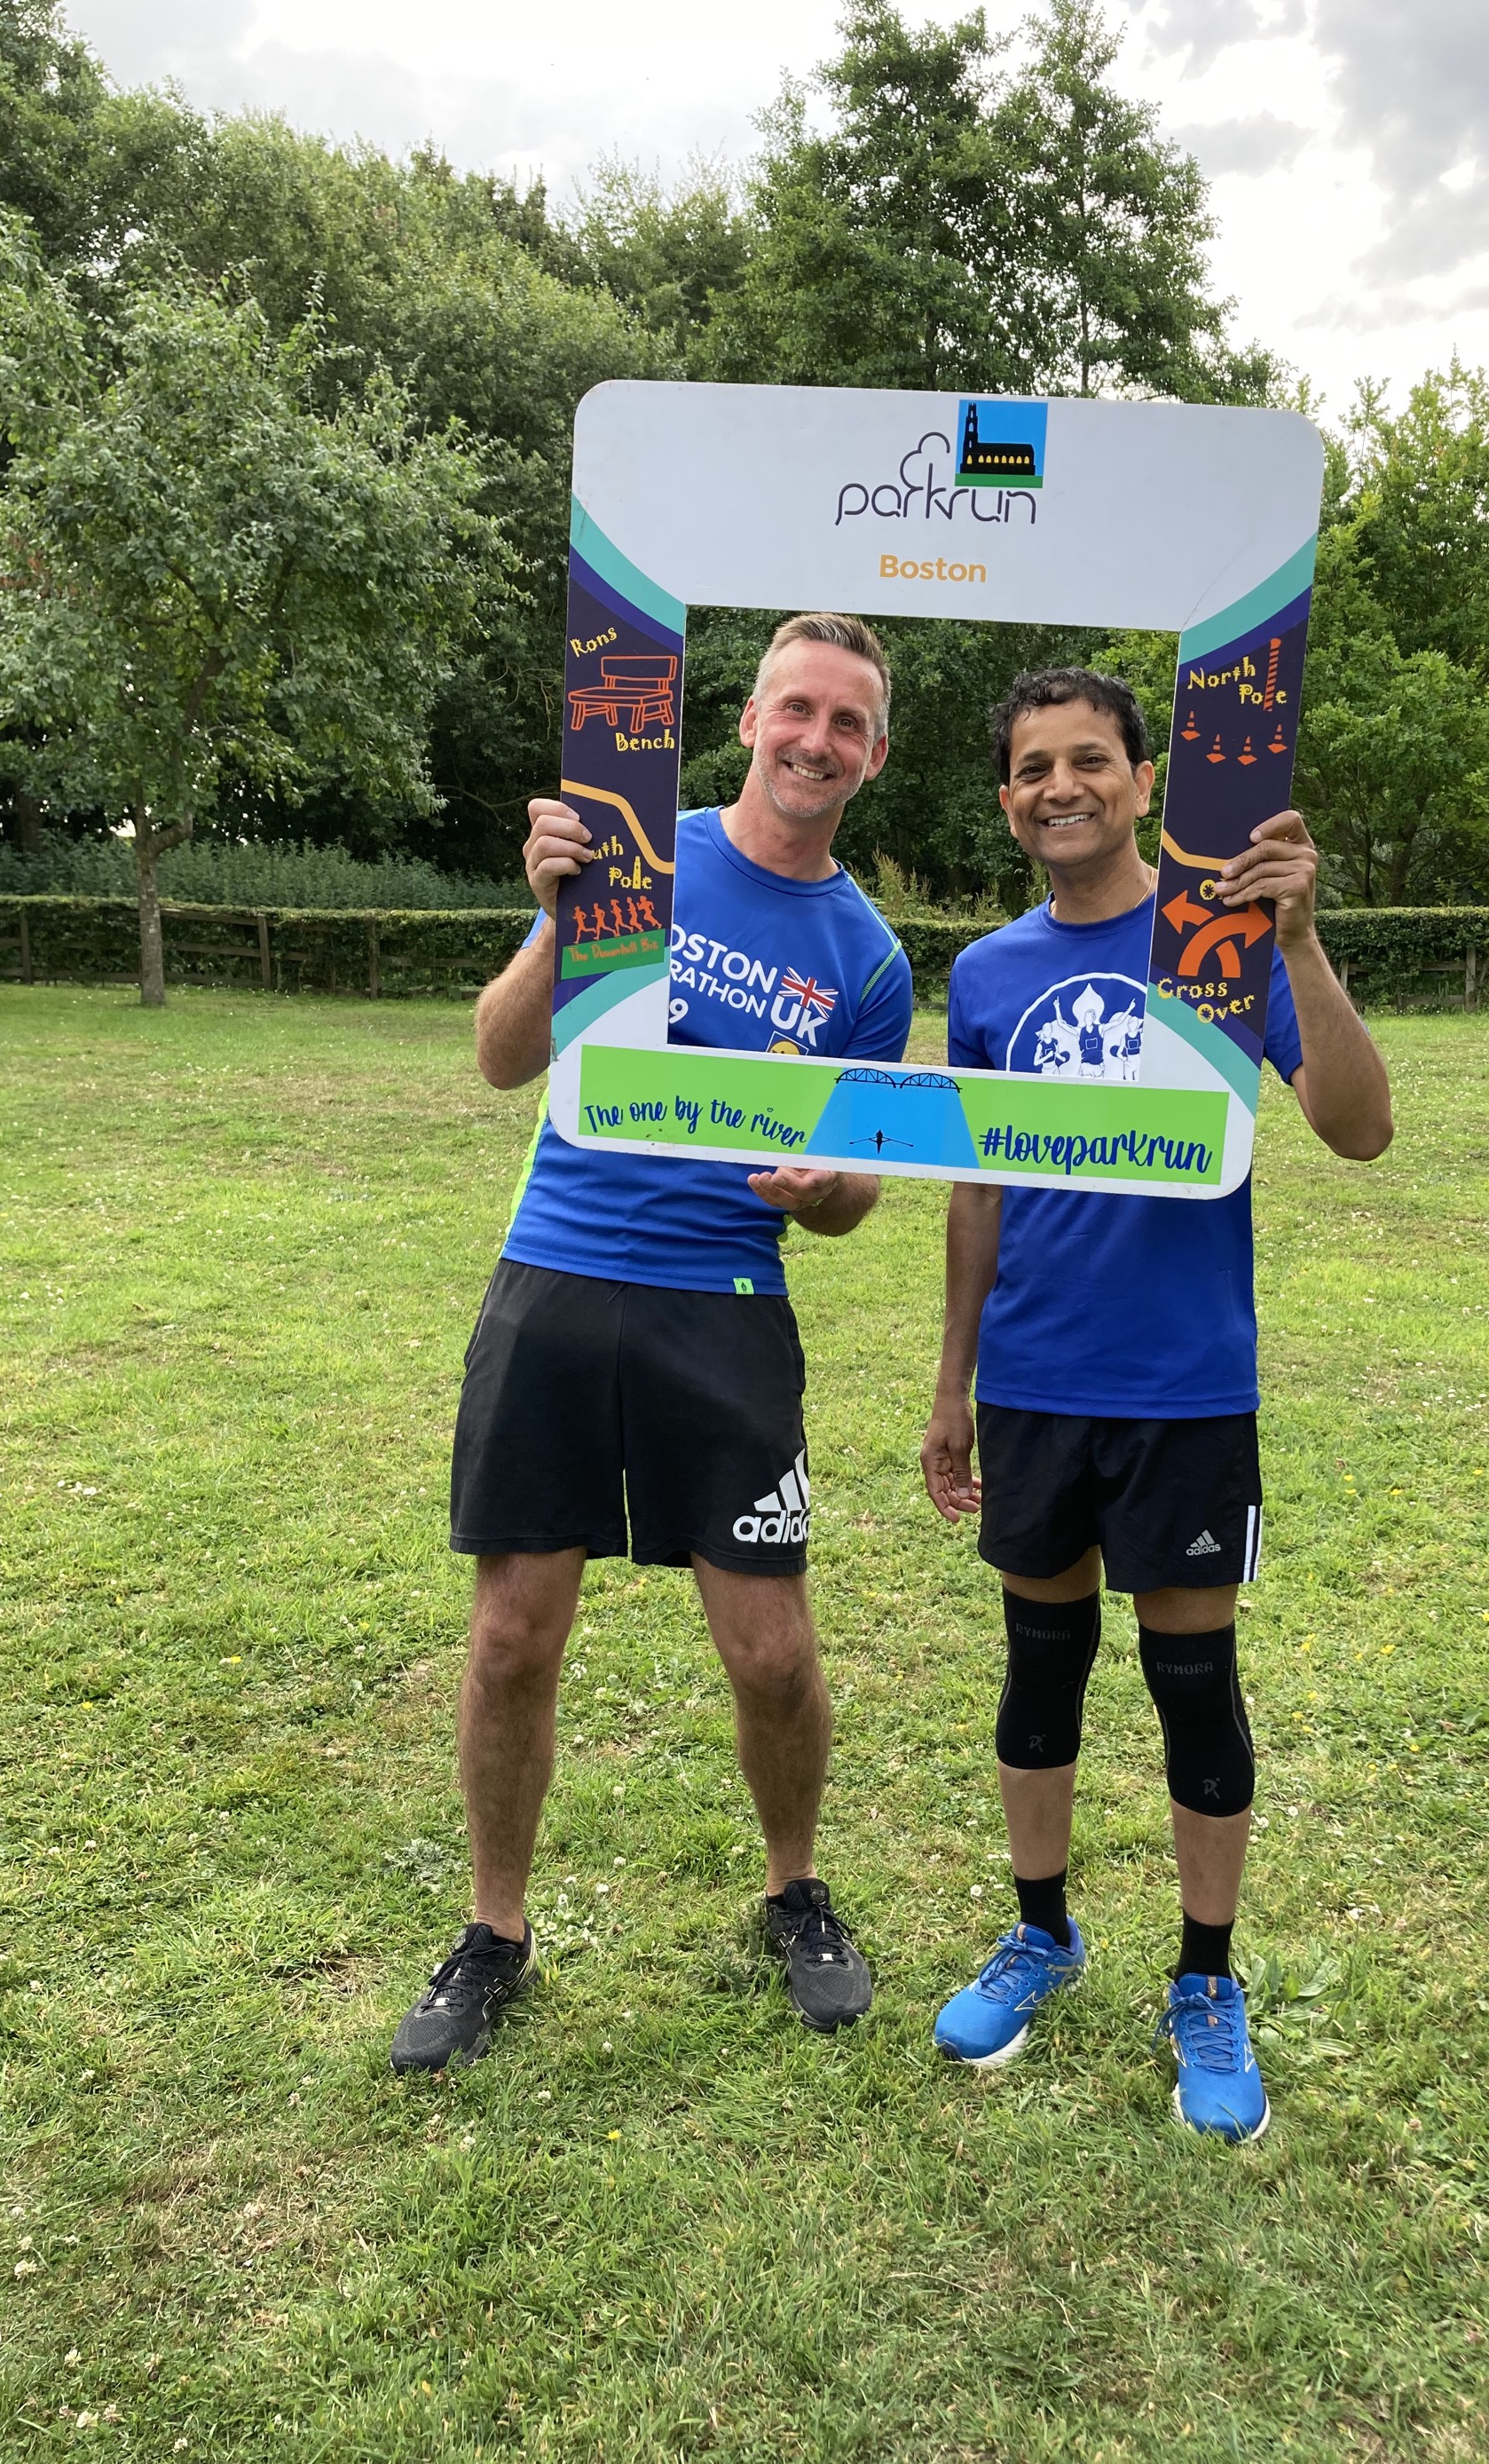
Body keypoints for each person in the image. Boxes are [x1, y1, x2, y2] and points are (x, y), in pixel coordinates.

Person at [391, 613, 913, 2071]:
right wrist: (560, 920)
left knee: (770, 1656)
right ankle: (495, 1932)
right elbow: (502, 1056)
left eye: (848, 724)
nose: (816, 740)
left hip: (723, 1309)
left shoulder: (867, 956)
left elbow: (859, 1187)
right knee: (510, 1641)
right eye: (795, 709)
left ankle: (793, 1892)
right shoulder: (633, 857)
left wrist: (831, 1190)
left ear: (875, 757)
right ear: (747, 719)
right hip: (555, 1276)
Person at [919, 667, 1392, 2139]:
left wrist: (1298, 943)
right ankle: (1042, 1934)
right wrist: (952, 1378)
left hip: (1184, 1387)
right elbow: (977, 1182)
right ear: (1004, 800)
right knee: (1038, 1667)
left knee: (1193, 1686)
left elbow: (1359, 1128)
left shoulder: (1220, 940)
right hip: (1037, 1381)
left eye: (1089, 761)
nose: (1059, 786)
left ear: (1140, 779)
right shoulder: (989, 976)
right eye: (1031, 768)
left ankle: (1204, 1979)